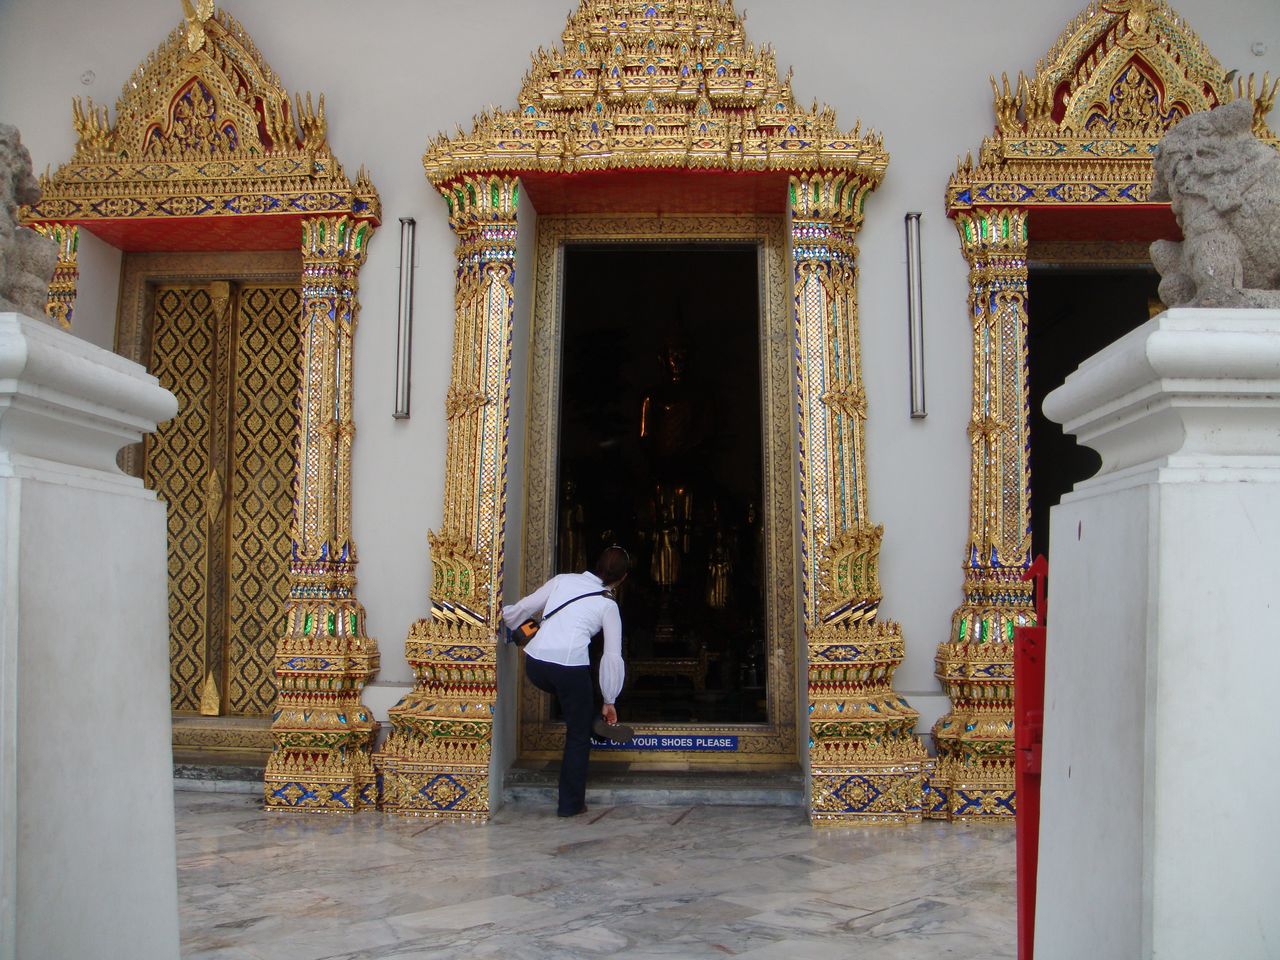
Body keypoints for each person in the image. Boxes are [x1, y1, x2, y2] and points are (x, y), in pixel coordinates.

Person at [502, 545, 632, 817]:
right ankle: (571, 804)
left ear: (597, 564)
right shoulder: (608, 605)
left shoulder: (564, 580)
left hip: (536, 665)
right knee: (578, 734)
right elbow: (611, 656)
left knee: (579, 702)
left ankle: (591, 718)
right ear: (622, 578)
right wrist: (610, 700)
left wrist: (506, 622)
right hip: (569, 668)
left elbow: (526, 606)